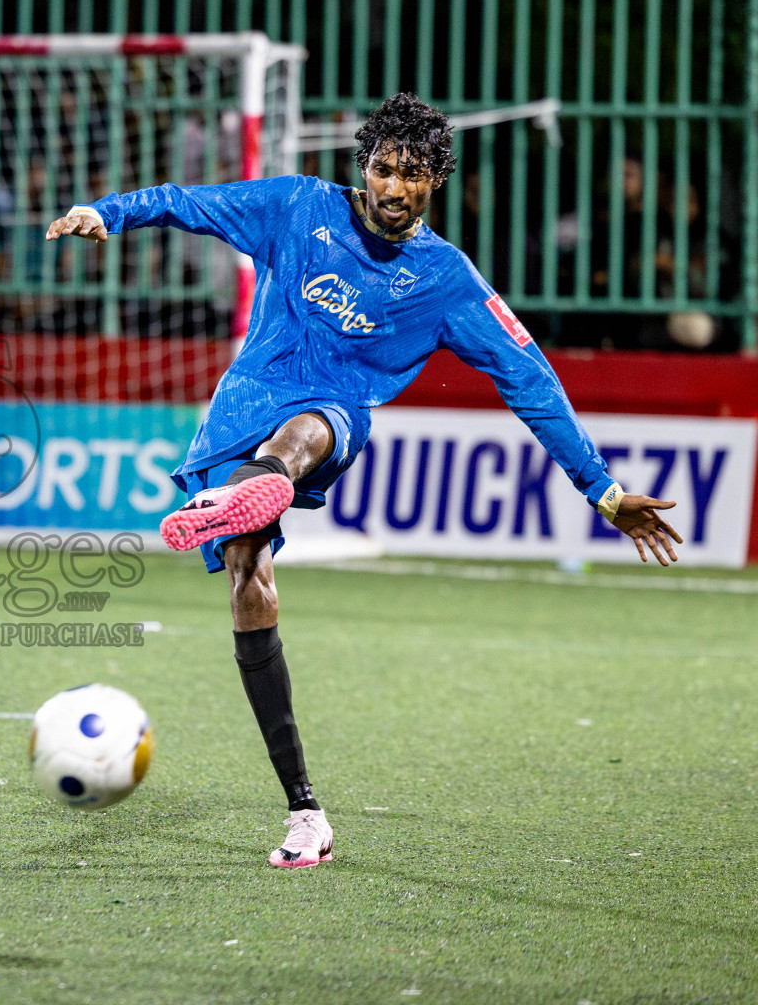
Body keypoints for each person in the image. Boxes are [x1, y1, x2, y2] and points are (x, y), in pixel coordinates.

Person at [45, 92, 683, 870]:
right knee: (251, 583)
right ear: (364, 167)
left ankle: (264, 483)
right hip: (240, 411)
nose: (394, 188)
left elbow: (531, 380)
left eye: (412, 175)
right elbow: (190, 202)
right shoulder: (297, 205)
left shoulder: (446, 279)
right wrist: (107, 213)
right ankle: (305, 811)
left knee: (309, 433)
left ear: (435, 182)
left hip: (329, 420)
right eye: (383, 168)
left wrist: (603, 489)